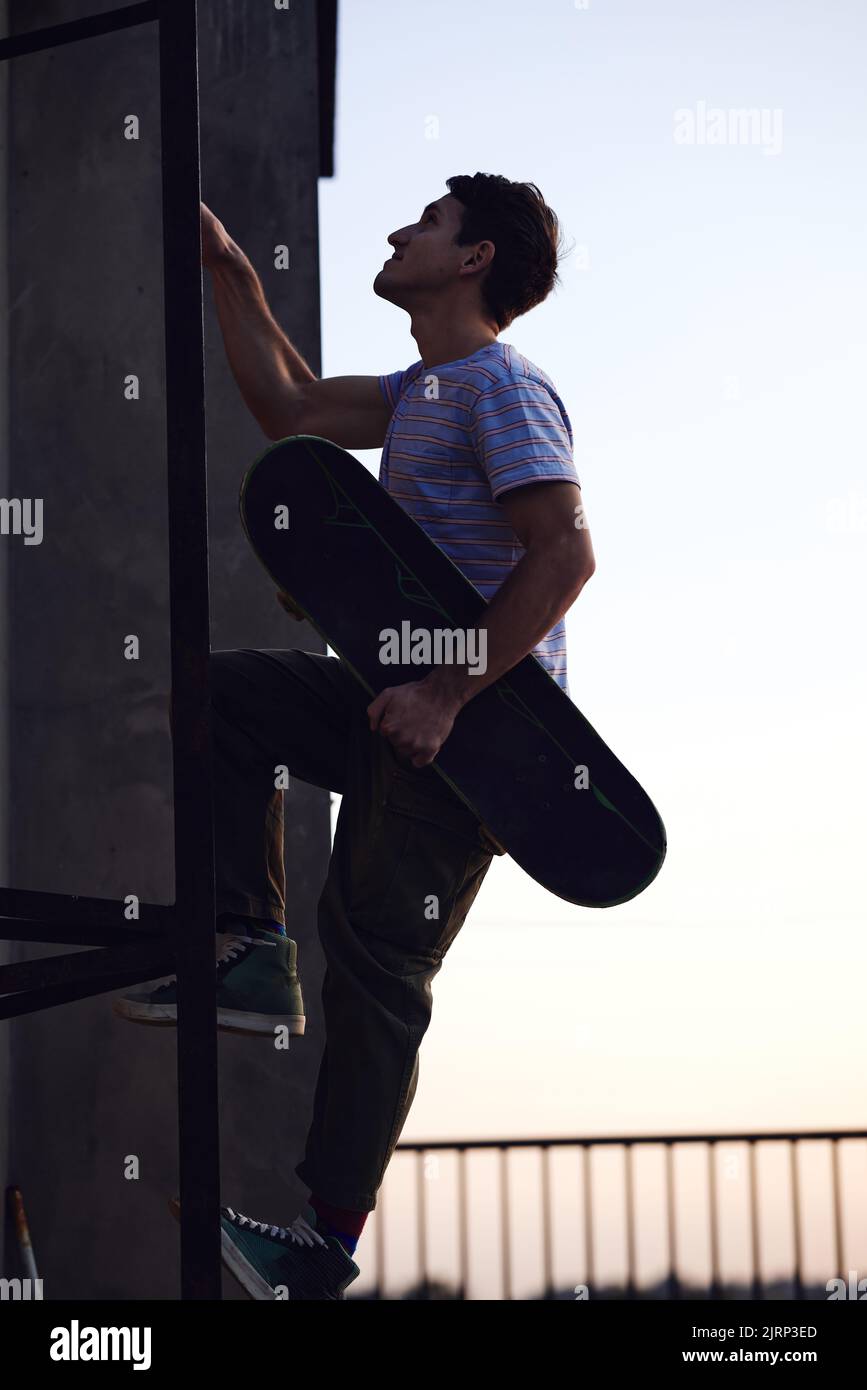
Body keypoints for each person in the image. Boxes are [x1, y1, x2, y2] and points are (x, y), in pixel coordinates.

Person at [116, 172, 595, 1299]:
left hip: (482, 736)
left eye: (427, 221)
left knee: (378, 968)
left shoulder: (502, 388)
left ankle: (324, 1249)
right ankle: (248, 946)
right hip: (397, 699)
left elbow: (565, 557)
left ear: (474, 260)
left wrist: (450, 696)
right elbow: (290, 408)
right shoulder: (425, 388)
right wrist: (229, 268)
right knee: (220, 693)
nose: (397, 230)